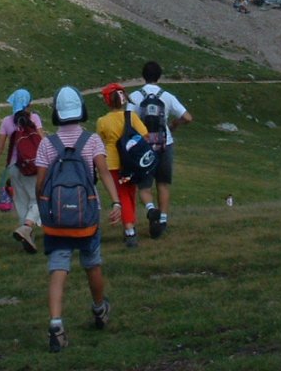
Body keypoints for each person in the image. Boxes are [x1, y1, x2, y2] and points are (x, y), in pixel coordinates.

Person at [35, 85, 121, 352]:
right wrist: (116, 201)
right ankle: (99, 309)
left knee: (58, 268)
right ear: (81, 110)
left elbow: (40, 182)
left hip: (57, 219)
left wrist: (43, 206)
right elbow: (104, 173)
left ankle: (56, 324)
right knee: (92, 264)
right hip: (87, 218)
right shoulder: (92, 141)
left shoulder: (47, 143)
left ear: (56, 114)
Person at [128, 61, 192, 238]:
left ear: (143, 76)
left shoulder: (135, 96)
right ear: (159, 76)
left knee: (144, 186)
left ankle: (150, 210)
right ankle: (162, 221)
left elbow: (128, 120)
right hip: (165, 143)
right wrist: (174, 124)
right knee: (163, 184)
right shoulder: (167, 96)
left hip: (144, 145)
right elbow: (188, 117)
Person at [0, 88, 44, 254]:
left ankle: (27, 234)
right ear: (29, 103)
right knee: (39, 198)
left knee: (22, 202)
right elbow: (42, 142)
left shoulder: (6, 122)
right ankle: (27, 228)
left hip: (14, 167)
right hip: (33, 166)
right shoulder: (35, 118)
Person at [95, 82, 153, 248]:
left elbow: (101, 142)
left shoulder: (102, 121)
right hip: (132, 163)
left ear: (107, 101)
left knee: (122, 196)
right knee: (130, 194)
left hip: (113, 164)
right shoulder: (131, 116)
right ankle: (130, 225)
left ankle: (129, 231)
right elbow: (146, 136)